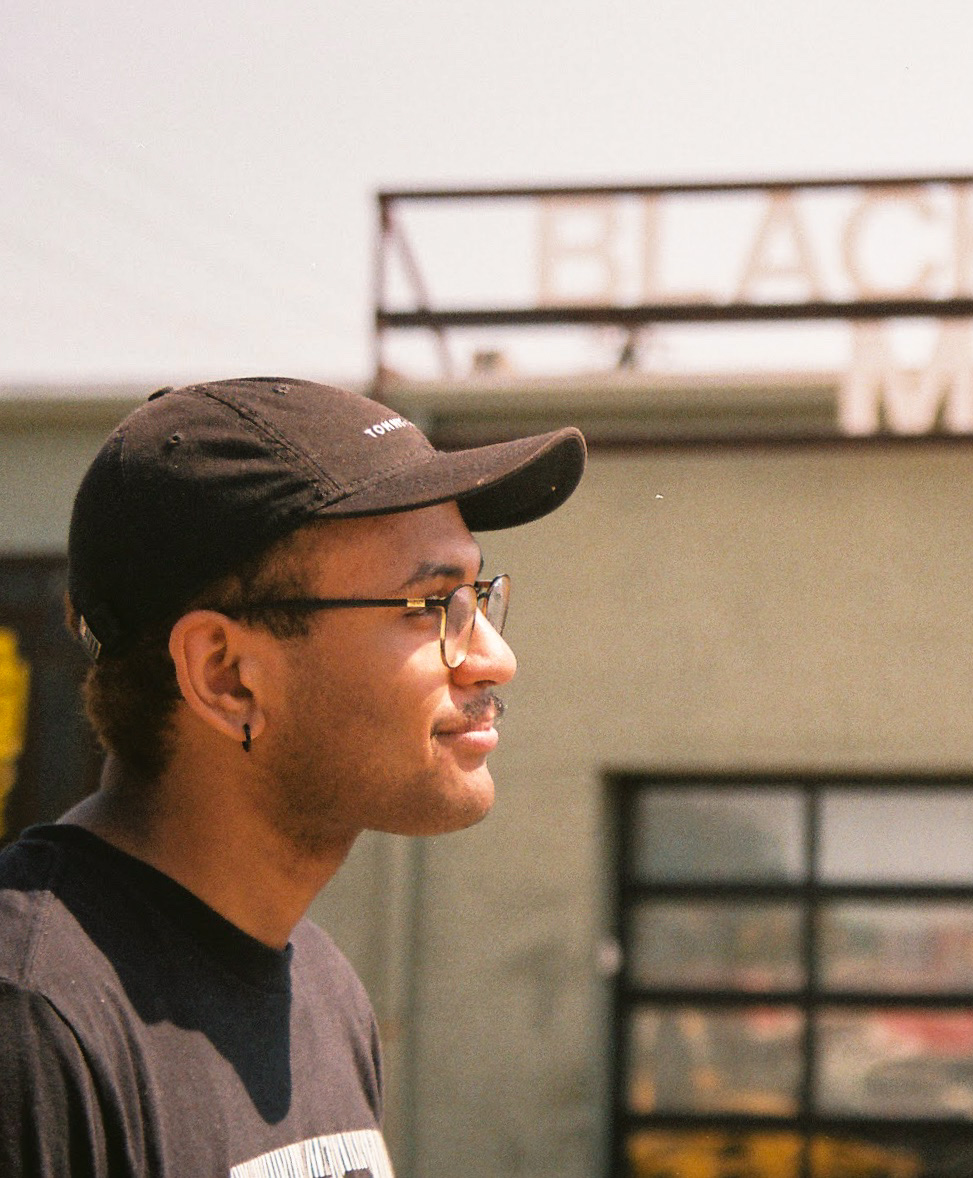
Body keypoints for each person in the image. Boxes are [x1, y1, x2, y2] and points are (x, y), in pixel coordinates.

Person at [0, 377, 585, 1177]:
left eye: (475, 594)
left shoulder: (321, 989)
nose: (495, 658)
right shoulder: (34, 1024)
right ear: (228, 674)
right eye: (427, 602)